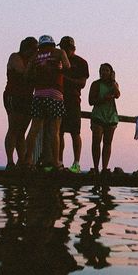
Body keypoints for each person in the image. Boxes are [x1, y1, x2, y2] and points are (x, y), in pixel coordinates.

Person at [22, 35, 71, 172]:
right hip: (55, 94)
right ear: (52, 43)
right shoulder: (59, 53)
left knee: (34, 128)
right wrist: (56, 70)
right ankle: (56, 163)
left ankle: (27, 161)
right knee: (54, 130)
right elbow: (67, 67)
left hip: (38, 94)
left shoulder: (35, 56)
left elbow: (26, 75)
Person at [4, 37, 38, 170]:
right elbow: (23, 73)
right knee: (13, 128)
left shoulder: (33, 62)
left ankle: (22, 161)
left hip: (28, 97)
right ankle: (10, 161)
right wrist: (33, 63)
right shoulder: (15, 57)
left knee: (22, 131)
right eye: (35, 49)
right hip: (14, 95)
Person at [57, 36, 89, 173]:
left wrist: (65, 79)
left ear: (73, 49)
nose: (63, 51)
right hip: (58, 99)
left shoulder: (81, 62)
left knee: (75, 132)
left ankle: (76, 163)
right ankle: (59, 162)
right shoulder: (57, 60)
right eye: (62, 48)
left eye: (66, 48)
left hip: (74, 100)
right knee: (59, 132)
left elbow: (82, 83)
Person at [88, 63, 120, 173]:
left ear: (111, 72)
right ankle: (96, 167)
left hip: (111, 116)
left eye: (106, 70)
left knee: (108, 142)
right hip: (98, 115)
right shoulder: (95, 84)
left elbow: (118, 94)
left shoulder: (114, 84)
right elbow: (91, 101)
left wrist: (113, 81)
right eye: (102, 70)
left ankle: (104, 168)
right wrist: (103, 99)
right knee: (96, 141)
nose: (104, 72)